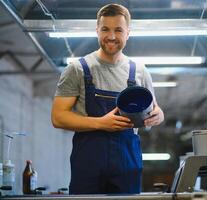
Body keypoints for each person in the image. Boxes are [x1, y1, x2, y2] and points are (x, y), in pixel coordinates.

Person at [51, 3, 164, 194]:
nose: (111, 36)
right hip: (88, 163)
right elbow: (58, 117)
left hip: (127, 163)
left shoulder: (139, 71)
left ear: (128, 32)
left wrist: (159, 115)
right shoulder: (78, 69)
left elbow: (155, 109)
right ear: (97, 30)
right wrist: (101, 123)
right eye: (105, 29)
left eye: (118, 30)